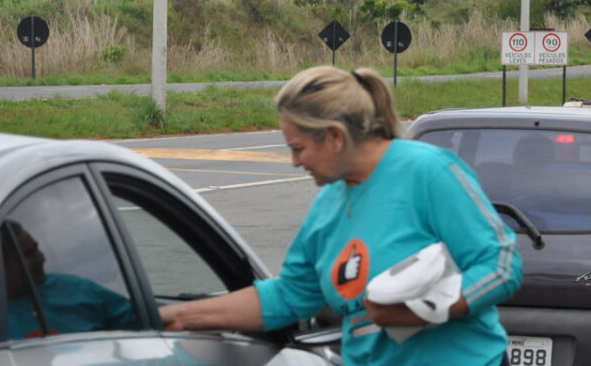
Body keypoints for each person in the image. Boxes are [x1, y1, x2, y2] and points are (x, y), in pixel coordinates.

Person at [159, 66, 522, 366]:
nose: (294, 162)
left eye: (298, 148)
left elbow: (501, 265)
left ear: (334, 137)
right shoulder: (329, 201)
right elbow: (290, 295)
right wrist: (179, 317)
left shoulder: (428, 171)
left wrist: (425, 310)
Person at [1, 220, 137, 340]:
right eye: (27, 255)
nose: (41, 258)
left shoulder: (77, 289)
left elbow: (141, 322)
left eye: (36, 249)